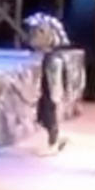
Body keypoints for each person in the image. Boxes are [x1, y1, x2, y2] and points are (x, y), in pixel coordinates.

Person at [24, 13, 73, 156]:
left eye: (36, 32)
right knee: (45, 114)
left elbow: (55, 83)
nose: (32, 35)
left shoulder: (54, 59)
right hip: (48, 92)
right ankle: (55, 139)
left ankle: (53, 143)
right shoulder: (51, 57)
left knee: (50, 113)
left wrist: (55, 97)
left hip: (51, 94)